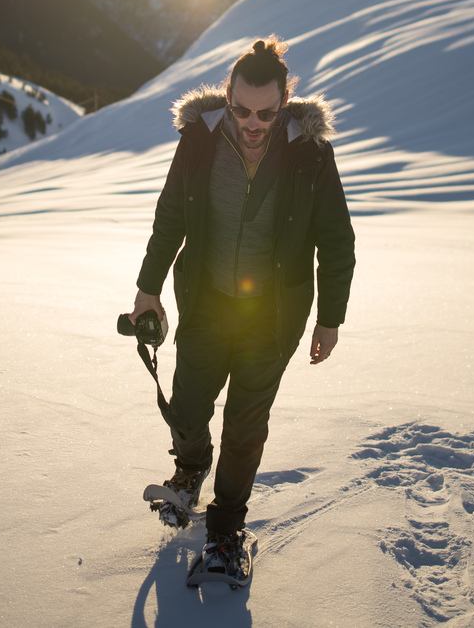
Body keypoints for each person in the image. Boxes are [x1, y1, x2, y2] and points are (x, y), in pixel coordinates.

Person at [128, 36, 356, 578]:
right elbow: (170, 216)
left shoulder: (311, 154)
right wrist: (148, 286)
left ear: (285, 101)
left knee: (246, 421)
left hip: (273, 316)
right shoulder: (199, 142)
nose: (254, 122)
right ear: (227, 96)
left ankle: (227, 527)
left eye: (267, 112)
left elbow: (337, 240)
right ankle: (190, 469)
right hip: (207, 301)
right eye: (241, 109)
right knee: (186, 403)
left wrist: (330, 318)